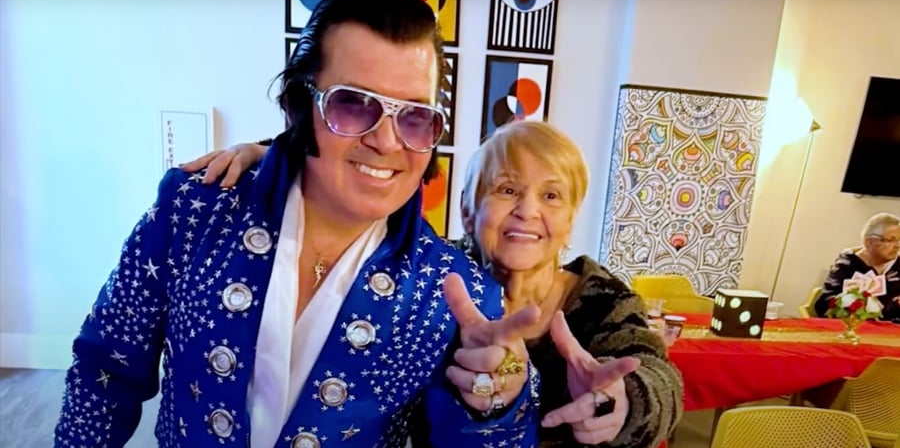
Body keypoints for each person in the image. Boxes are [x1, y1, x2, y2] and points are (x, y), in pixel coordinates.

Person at [54, 0, 546, 447]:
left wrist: (497, 402)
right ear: (297, 105)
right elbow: (105, 371)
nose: (386, 140)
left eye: (414, 116)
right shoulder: (194, 212)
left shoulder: (458, 293)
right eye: (353, 105)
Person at [187, 121, 684, 447]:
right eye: (507, 189)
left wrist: (619, 401)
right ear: (467, 208)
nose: (528, 211)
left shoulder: (603, 300)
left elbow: (663, 382)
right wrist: (277, 159)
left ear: (572, 219)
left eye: (551, 195)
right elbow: (366, 196)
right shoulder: (429, 278)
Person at [816, 212, 900, 321]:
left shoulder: (897, 266)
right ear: (869, 242)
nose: (897, 246)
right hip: (853, 330)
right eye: (890, 240)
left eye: (899, 240)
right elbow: (825, 304)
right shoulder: (847, 265)